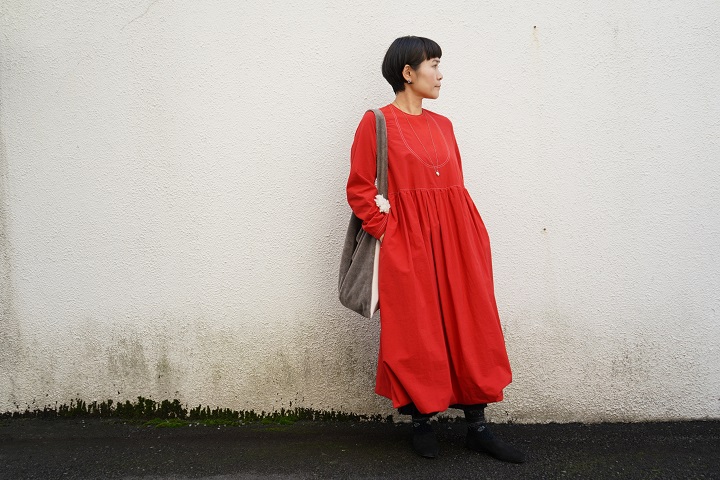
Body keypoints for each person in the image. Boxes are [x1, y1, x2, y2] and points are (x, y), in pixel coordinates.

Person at [346, 36, 526, 463]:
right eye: (433, 64)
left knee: (471, 325)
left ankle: (477, 427)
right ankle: (421, 424)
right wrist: (391, 234)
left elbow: (453, 186)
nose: (441, 74)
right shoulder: (376, 122)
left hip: (458, 240)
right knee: (415, 331)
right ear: (408, 73)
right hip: (408, 242)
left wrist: (470, 235)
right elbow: (360, 189)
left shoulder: (444, 125)